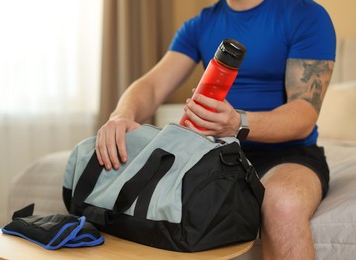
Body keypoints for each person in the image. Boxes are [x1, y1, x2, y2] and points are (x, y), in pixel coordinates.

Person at [95, 0, 336, 259]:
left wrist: (237, 123)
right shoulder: (201, 24)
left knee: (283, 204)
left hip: (288, 155)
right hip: (214, 155)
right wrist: (120, 116)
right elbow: (152, 86)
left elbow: (303, 115)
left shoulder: (306, 15)